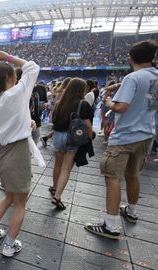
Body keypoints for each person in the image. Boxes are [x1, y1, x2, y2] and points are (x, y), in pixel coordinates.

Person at [85, 40, 158, 239]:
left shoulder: (133, 78)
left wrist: (108, 101)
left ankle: (111, 225)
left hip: (125, 135)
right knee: (133, 175)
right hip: (146, 134)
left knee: (112, 176)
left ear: (131, 58)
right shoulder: (154, 76)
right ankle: (131, 212)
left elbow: (121, 107)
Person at [0, 52, 40, 257]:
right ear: (7, 78)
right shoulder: (15, 94)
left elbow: (11, 122)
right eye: (14, 75)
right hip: (18, 152)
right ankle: (10, 245)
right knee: (20, 203)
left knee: (9, 197)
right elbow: (33, 67)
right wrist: (7, 56)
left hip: (4, 153)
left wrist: (26, 123)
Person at [50, 78, 93, 209]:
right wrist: (89, 139)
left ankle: (55, 187)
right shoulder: (83, 104)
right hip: (72, 138)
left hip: (58, 136)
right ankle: (57, 196)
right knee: (66, 168)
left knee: (57, 164)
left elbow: (53, 120)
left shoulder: (60, 102)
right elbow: (88, 125)